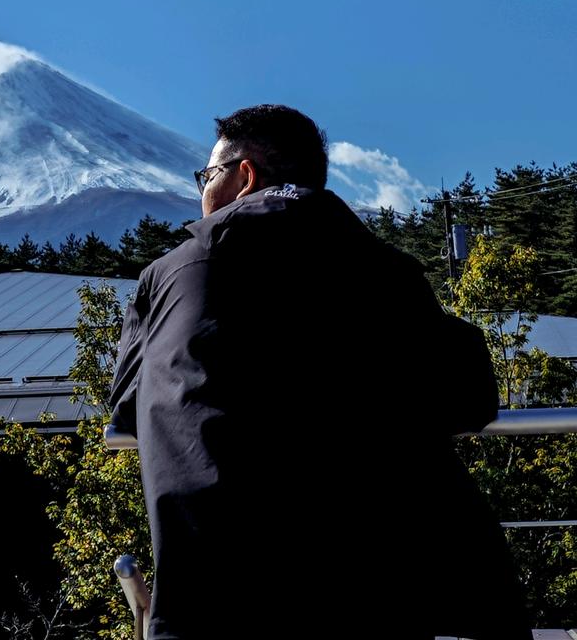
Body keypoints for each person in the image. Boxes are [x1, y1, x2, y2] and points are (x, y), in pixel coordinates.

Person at [109, 104, 530, 640]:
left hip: (213, 593)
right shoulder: (388, 271)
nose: (202, 191)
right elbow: (468, 397)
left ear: (245, 175)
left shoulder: (169, 277)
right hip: (380, 590)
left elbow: (126, 408)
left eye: (207, 175)